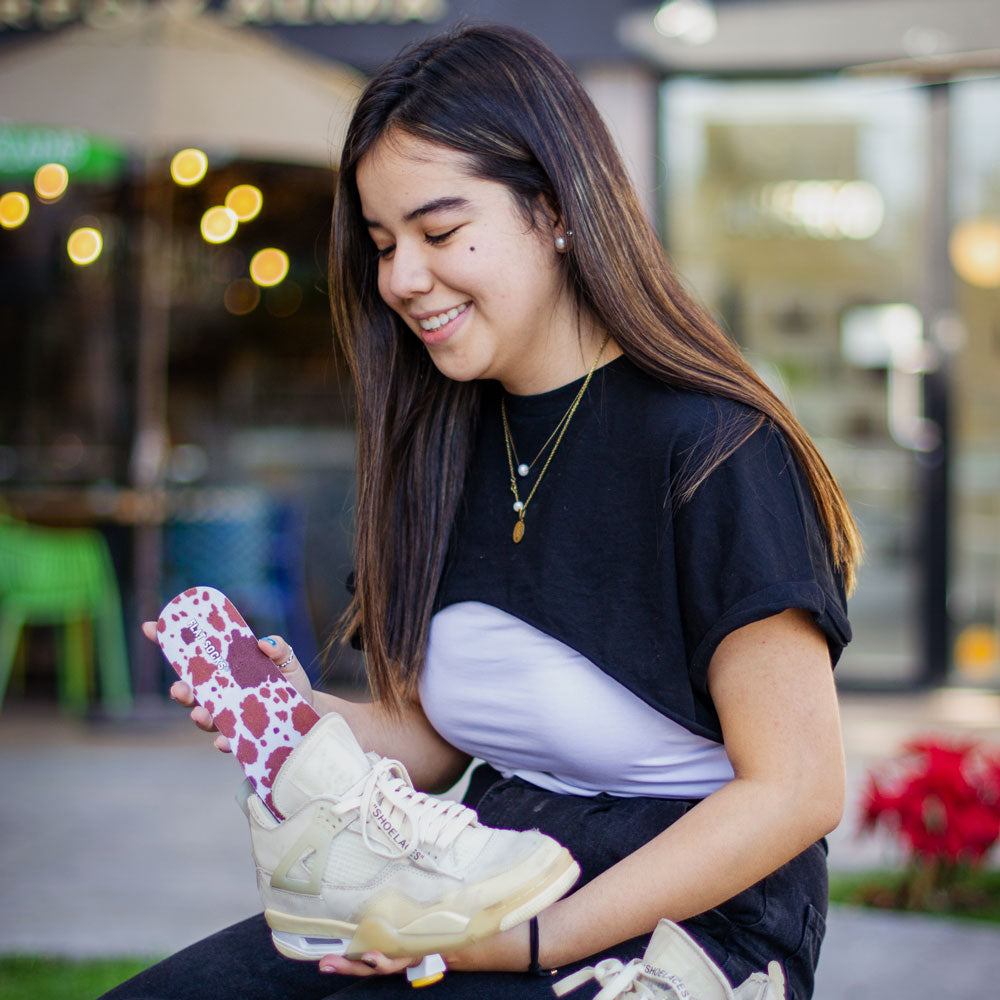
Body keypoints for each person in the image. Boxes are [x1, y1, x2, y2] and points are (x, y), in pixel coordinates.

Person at [104, 22, 860, 1000]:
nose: (401, 279)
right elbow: (431, 742)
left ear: (551, 209)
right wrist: (291, 713)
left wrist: (537, 937)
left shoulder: (714, 448)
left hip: (691, 918)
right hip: (477, 873)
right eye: (381, 244)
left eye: (439, 231)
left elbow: (798, 790)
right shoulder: (439, 444)